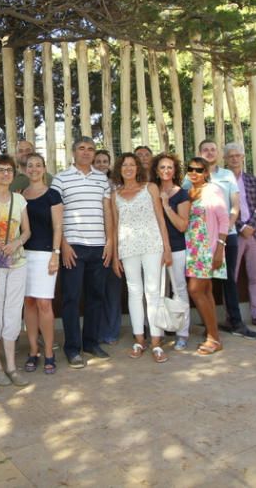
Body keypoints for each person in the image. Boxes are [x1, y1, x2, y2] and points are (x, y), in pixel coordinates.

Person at [51, 136, 115, 369]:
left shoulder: (102, 180)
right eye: (81, 148)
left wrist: (109, 242)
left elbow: (107, 212)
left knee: (96, 297)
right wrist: (64, 245)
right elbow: (56, 215)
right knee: (71, 298)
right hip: (73, 248)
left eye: (90, 149)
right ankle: (72, 348)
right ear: (73, 152)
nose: (86, 153)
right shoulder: (61, 178)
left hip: (99, 247)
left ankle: (91, 343)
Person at [112, 153, 172, 363]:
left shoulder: (150, 188)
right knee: (134, 292)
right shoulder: (115, 194)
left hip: (152, 245)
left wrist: (167, 248)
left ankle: (156, 342)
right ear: (119, 169)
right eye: (124, 165)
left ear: (138, 168)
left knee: (153, 292)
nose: (128, 168)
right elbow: (115, 225)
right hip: (127, 247)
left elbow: (160, 219)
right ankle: (139, 340)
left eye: (132, 164)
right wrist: (115, 255)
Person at [0, 155, 32, 387]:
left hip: (17, 263)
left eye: (9, 170)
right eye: (1, 170)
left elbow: (26, 232)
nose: (5, 174)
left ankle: (12, 365)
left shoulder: (19, 200)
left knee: (13, 313)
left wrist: (16, 243)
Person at [198, 139, 246, 336]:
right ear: (200, 153)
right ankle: (209, 325)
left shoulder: (227, 175)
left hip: (228, 235)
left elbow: (235, 204)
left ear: (218, 154)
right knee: (204, 282)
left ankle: (236, 321)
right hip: (202, 239)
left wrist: (229, 224)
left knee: (229, 281)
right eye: (205, 150)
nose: (209, 153)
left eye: (212, 150)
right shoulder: (192, 176)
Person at [225, 143, 256, 330]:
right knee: (231, 278)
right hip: (233, 234)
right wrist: (240, 226)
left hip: (255, 234)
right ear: (226, 159)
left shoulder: (251, 179)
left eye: (238, 155)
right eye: (231, 156)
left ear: (243, 158)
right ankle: (232, 316)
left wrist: (251, 225)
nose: (235, 159)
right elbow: (222, 209)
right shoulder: (222, 180)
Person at [21, 153, 63, 374]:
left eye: (38, 165)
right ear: (25, 170)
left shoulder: (53, 195)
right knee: (28, 302)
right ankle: (33, 350)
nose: (34, 169)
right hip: (23, 255)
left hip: (46, 255)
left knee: (44, 304)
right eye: (30, 166)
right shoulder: (19, 196)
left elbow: (58, 227)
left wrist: (56, 253)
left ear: (44, 168)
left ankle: (49, 352)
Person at [183, 157, 227, 355]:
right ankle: (213, 334)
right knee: (206, 292)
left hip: (207, 248)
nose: (194, 173)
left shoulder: (213, 190)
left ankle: (213, 338)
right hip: (192, 248)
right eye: (190, 169)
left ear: (206, 172)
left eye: (199, 170)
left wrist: (219, 249)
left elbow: (224, 220)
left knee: (195, 290)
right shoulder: (189, 192)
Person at [151, 154, 193, 350]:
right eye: (162, 167)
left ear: (175, 170)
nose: (166, 171)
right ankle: (155, 333)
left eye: (170, 167)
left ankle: (182, 333)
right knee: (155, 292)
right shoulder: (150, 191)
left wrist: (166, 206)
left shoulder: (182, 194)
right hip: (153, 249)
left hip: (176, 249)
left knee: (179, 290)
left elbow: (182, 225)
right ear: (156, 171)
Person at [93, 148, 122, 345]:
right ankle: (97, 331)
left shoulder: (117, 186)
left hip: (116, 243)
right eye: (98, 161)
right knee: (97, 291)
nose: (102, 164)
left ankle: (111, 331)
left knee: (113, 290)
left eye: (105, 161)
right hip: (95, 244)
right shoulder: (91, 184)